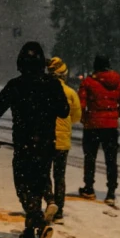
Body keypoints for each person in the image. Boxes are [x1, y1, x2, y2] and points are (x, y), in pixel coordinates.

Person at [0, 42, 69, 238]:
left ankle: (39, 224)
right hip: (47, 144)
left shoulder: (16, 85)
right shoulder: (51, 84)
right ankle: (34, 223)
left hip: (24, 144)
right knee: (40, 178)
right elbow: (64, 111)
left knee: (24, 187)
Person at [78, 55, 120, 207]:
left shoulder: (88, 82)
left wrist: (85, 118)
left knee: (90, 158)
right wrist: (114, 115)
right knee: (111, 160)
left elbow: (80, 104)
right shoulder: (118, 83)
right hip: (111, 127)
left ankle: (89, 188)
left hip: (92, 125)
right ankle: (111, 192)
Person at [44, 57, 82, 221]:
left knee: (44, 173)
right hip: (63, 141)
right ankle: (59, 210)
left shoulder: (43, 90)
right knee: (60, 176)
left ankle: (49, 200)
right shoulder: (71, 93)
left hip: (45, 139)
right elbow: (76, 117)